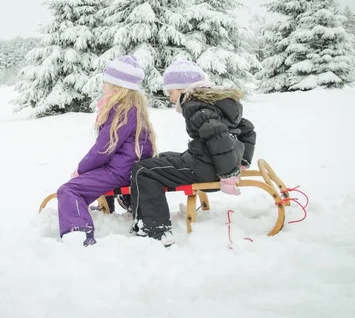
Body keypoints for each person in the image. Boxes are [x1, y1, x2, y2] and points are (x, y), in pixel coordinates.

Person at [129, 60, 256, 246]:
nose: (171, 98)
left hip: (206, 169)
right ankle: (145, 211)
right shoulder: (214, 102)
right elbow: (247, 129)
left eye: (171, 92)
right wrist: (241, 161)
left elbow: (218, 136)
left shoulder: (194, 105)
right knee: (161, 158)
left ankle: (154, 230)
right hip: (210, 162)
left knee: (143, 170)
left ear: (182, 88)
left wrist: (229, 174)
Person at [57, 55, 157, 246]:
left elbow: (104, 149)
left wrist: (80, 170)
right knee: (80, 183)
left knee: (68, 190)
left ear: (117, 87)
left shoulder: (122, 111)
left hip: (120, 171)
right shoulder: (134, 108)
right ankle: (96, 213)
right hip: (127, 168)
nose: (103, 87)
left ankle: (78, 233)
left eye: (106, 83)